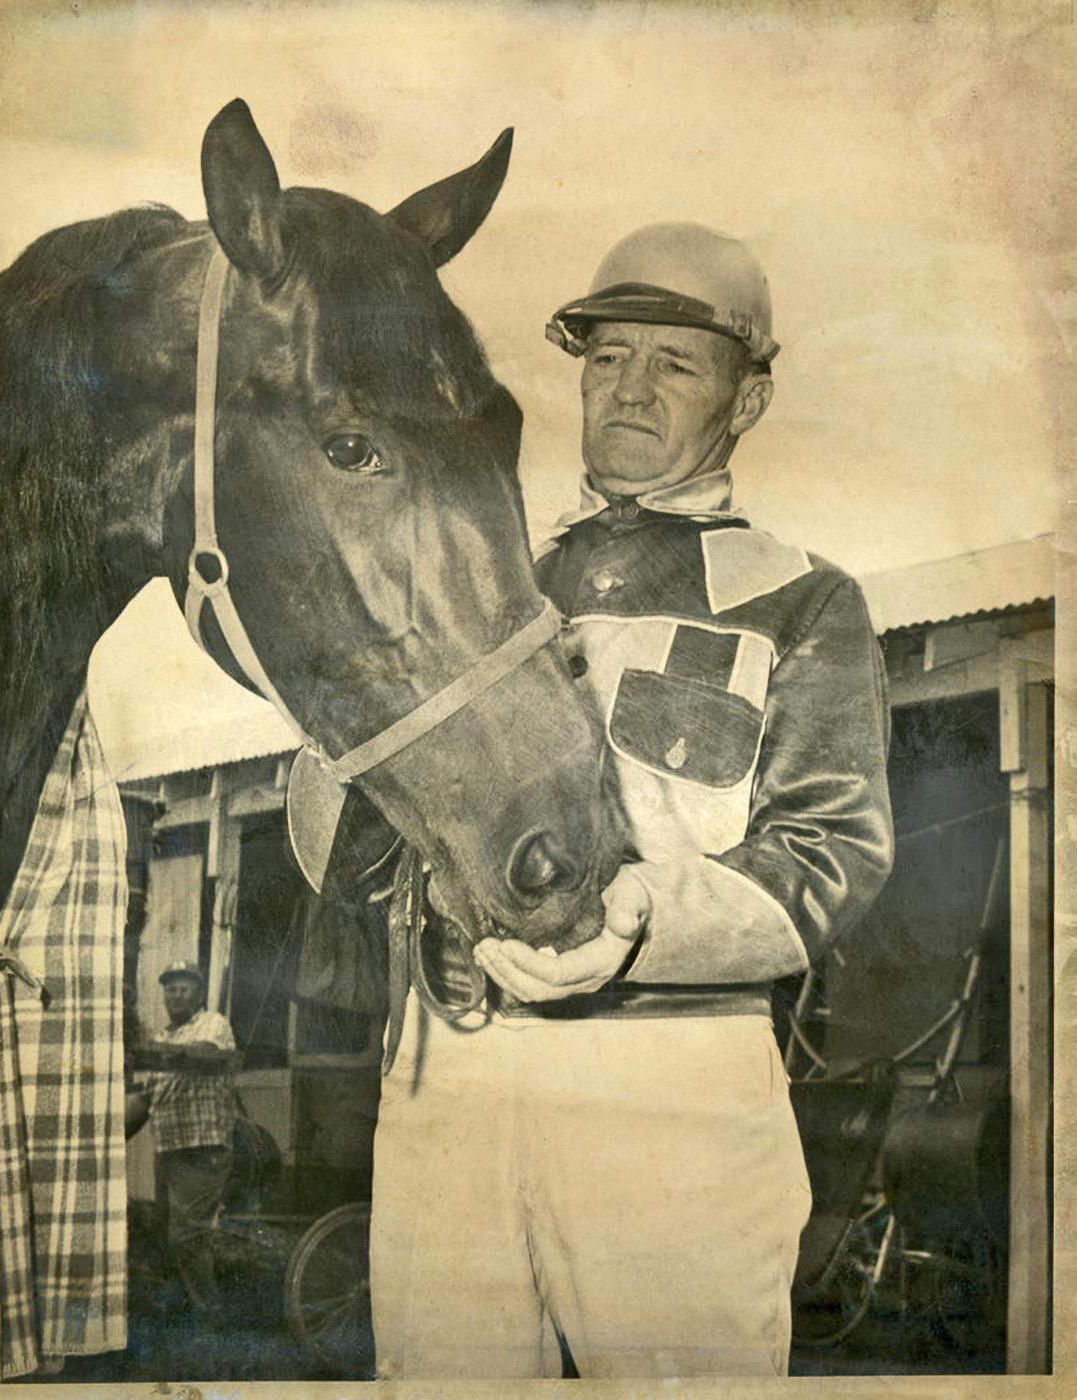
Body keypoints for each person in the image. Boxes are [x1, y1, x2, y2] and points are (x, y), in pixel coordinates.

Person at [369, 223, 894, 1378]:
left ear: (745, 399)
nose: (630, 388)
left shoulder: (802, 599)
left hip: (670, 1086)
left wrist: (635, 921)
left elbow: (831, 849)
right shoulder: (482, 576)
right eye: (608, 356)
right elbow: (377, 824)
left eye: (675, 361)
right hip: (447, 1072)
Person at [143, 961, 239, 1336]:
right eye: (170, 989)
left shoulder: (213, 1023)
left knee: (187, 1234)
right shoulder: (162, 1037)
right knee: (168, 1231)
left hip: (203, 1147)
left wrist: (159, 1054)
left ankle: (212, 1319)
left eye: (184, 988)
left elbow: (206, 1053)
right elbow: (147, 1097)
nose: (176, 995)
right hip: (168, 1147)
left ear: (198, 994)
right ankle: (183, 1306)